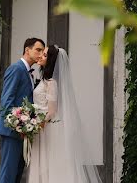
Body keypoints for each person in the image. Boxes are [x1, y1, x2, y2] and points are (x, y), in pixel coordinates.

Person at [28, 44, 103, 183]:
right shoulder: (44, 80)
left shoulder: (51, 83)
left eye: (44, 55)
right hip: (42, 127)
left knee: (53, 164)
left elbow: (52, 111)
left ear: (50, 60)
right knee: (44, 164)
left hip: (47, 127)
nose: (40, 56)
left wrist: (34, 122)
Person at [0, 37, 45, 183]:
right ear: (27, 50)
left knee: (17, 173)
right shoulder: (16, 69)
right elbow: (6, 101)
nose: (41, 54)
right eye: (38, 50)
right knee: (8, 173)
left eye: (42, 51)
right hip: (12, 130)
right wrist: (18, 125)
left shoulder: (29, 72)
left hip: (22, 131)